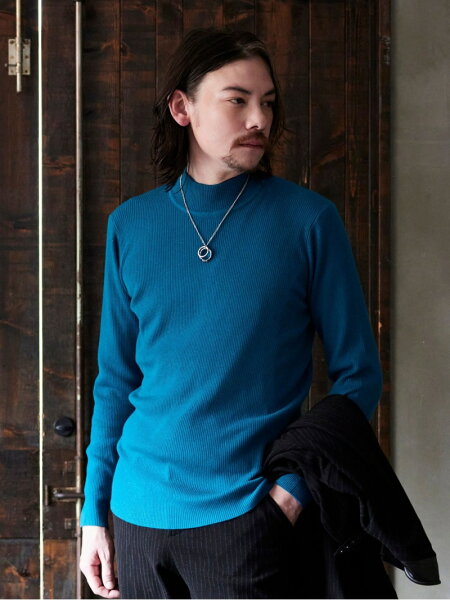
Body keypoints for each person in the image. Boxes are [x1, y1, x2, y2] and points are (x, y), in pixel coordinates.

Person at [79, 27, 383, 599]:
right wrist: (94, 513)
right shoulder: (131, 225)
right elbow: (116, 381)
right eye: (237, 100)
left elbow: (358, 376)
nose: (258, 119)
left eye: (267, 102)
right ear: (182, 108)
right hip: (135, 518)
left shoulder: (308, 222)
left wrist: (291, 496)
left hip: (249, 520)